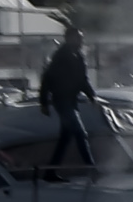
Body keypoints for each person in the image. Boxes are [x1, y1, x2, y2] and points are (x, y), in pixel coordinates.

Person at [36, 27, 94, 168]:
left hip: (71, 100)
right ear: (69, 38)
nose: (81, 41)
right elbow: (48, 78)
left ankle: (51, 172)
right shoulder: (60, 56)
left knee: (66, 137)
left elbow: (82, 80)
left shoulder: (79, 56)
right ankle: (91, 168)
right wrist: (43, 102)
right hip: (62, 101)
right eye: (78, 37)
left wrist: (92, 96)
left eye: (81, 38)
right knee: (80, 133)